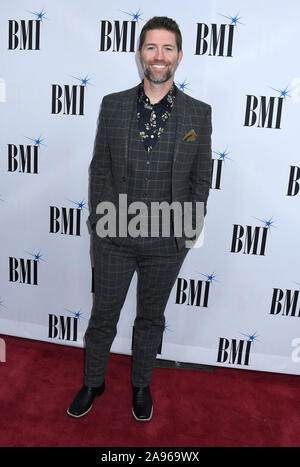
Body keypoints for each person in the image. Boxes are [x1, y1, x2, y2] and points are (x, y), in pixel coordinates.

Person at [67, 16, 212, 422]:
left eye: (167, 49)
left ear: (179, 56)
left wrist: (187, 231)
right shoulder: (111, 105)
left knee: (151, 319)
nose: (159, 56)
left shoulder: (199, 115)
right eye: (152, 47)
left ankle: (141, 385)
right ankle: (93, 382)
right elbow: (99, 169)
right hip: (114, 236)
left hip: (167, 243)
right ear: (140, 54)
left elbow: (202, 178)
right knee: (103, 317)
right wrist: (99, 222)